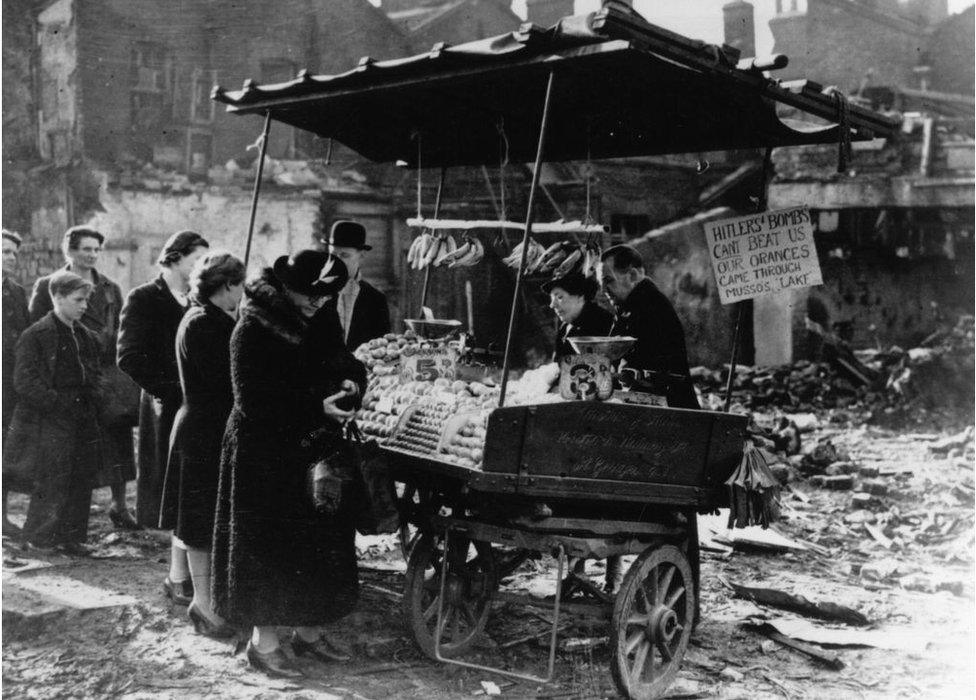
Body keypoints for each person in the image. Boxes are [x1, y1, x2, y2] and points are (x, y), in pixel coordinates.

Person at [212, 249, 367, 677]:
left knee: (317, 541)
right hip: (263, 451)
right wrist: (318, 406)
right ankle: (264, 645)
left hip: (310, 448)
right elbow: (252, 399)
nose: (318, 303)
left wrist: (352, 380)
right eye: (310, 295)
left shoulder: (320, 315)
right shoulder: (253, 326)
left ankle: (310, 634)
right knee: (268, 547)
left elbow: (341, 358)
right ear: (286, 287)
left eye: (325, 296)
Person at [118, 230, 209, 604]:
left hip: (197, 408)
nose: (200, 268)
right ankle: (178, 577)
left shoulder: (197, 300)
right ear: (175, 258)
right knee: (173, 491)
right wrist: (170, 389)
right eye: (196, 260)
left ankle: (180, 575)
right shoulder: (144, 298)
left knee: (188, 492)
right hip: (165, 407)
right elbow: (128, 356)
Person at [30, 226, 139, 530]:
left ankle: (120, 505)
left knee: (117, 437)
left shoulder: (108, 287)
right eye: (85, 249)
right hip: (70, 374)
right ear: (70, 251)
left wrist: (109, 339)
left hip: (105, 372)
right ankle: (69, 515)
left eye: (95, 249)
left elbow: (122, 326)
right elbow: (38, 327)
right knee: (78, 443)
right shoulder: (49, 285)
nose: (91, 255)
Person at [163, 251, 245, 639]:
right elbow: (226, 384)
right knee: (198, 521)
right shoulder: (205, 325)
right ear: (227, 285)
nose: (242, 295)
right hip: (204, 431)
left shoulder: (204, 317)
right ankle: (204, 605)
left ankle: (208, 601)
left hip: (204, 426)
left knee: (205, 518)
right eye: (239, 286)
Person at [4, 271, 103, 555]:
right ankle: (40, 538)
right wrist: (55, 401)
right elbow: (24, 380)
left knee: (80, 476)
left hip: (82, 414)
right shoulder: (36, 335)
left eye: (86, 300)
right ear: (57, 297)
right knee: (52, 477)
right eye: (79, 300)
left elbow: (95, 373)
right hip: (49, 418)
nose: (84, 306)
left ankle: (72, 538)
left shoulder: (84, 335)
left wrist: (93, 397)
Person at [598, 245, 699, 410]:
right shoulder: (629, 305)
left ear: (632, 275)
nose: (603, 290)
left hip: (668, 409)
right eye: (600, 283)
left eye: (608, 281)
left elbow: (652, 366)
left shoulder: (651, 306)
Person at [2, 229, 31, 538]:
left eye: (13, 253)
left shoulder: (16, 292)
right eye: (4, 251)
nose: (10, 258)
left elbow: (24, 338)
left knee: (5, 450)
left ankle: (2, 516)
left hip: (8, 387)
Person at [325, 220, 390, 350]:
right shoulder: (316, 292)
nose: (336, 261)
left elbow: (381, 349)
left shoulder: (376, 300)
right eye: (332, 254)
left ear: (361, 255)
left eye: (344, 255)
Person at [543, 271, 613, 360]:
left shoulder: (602, 322)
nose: (552, 305)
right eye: (552, 300)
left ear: (580, 296)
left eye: (559, 297)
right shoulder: (566, 326)